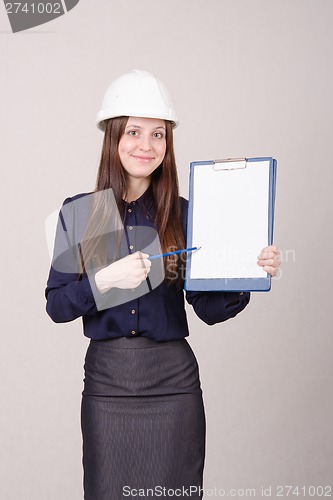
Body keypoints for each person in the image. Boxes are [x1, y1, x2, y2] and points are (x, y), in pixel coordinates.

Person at [45, 69, 280, 499]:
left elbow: (208, 309)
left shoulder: (187, 214)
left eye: (158, 134)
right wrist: (103, 282)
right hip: (107, 388)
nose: (146, 145)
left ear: (168, 143)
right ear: (113, 138)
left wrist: (247, 271)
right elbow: (57, 306)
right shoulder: (81, 213)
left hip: (174, 389)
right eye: (134, 132)